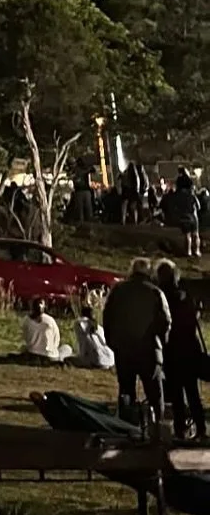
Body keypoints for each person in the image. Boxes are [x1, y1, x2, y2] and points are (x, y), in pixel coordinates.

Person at [102, 257, 172, 427]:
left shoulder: (118, 291)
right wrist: (162, 344)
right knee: (154, 392)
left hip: (123, 350)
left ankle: (126, 426)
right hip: (149, 350)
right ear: (149, 272)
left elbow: (107, 317)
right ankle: (157, 426)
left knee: (126, 391)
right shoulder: (155, 292)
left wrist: (112, 342)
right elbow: (165, 322)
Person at [156, 260, 207, 442]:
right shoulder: (185, 296)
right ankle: (200, 428)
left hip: (171, 351)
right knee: (193, 393)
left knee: (176, 395)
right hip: (189, 350)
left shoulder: (159, 297)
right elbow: (192, 322)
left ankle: (180, 430)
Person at [164, 170, 203, 259]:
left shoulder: (177, 196)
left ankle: (188, 251)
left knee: (187, 235)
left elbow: (174, 207)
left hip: (184, 216)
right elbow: (198, 206)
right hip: (193, 216)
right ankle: (197, 251)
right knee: (196, 234)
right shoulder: (191, 195)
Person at [23, 298, 72, 362]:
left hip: (32, 353)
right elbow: (57, 339)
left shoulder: (27, 320)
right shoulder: (50, 320)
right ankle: (60, 359)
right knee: (67, 348)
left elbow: (26, 337)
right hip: (49, 355)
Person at [72, 304, 115, 370]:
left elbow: (84, 344)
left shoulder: (79, 324)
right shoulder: (99, 327)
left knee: (68, 358)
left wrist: (82, 357)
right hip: (111, 359)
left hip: (97, 360)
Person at [69, 161, 96, 225]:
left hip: (81, 191)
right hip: (83, 190)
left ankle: (83, 221)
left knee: (81, 208)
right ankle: (86, 220)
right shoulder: (82, 171)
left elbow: (92, 170)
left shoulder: (77, 171)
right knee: (86, 207)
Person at [119, 161, 146, 226]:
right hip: (134, 192)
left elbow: (121, 182)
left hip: (126, 192)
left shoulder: (126, 175)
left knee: (125, 206)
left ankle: (124, 220)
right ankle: (135, 221)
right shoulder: (136, 176)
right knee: (134, 208)